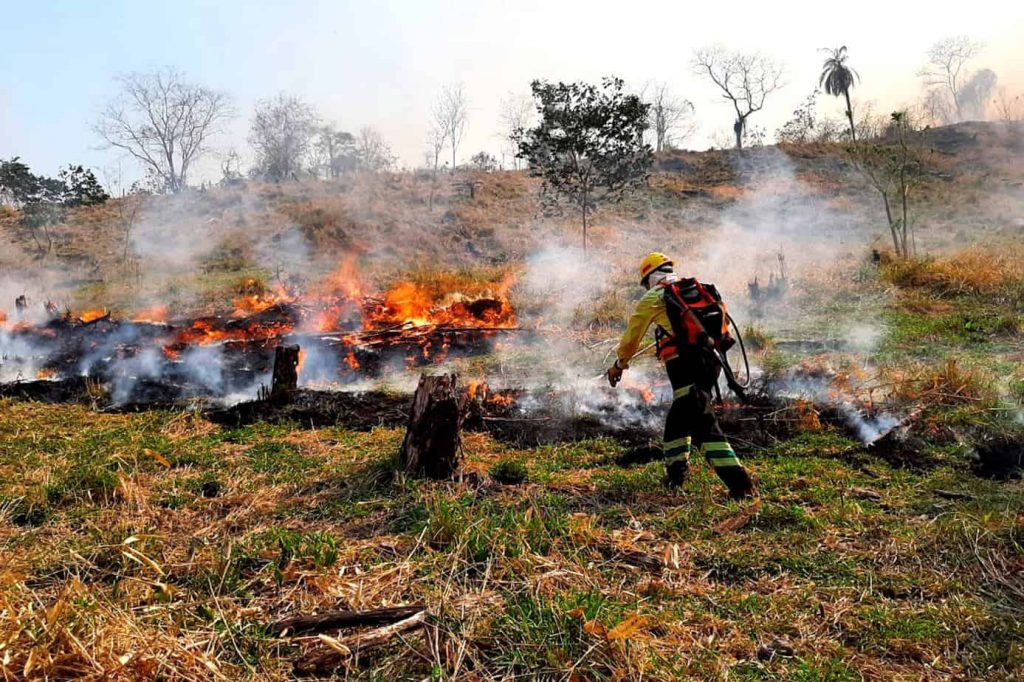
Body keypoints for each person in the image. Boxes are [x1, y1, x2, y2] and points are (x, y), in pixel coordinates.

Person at [607, 252, 757, 499]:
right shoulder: (695, 289)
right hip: (712, 361)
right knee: (680, 416)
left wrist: (619, 365)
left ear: (649, 278)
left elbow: (631, 338)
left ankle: (741, 485)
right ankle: (676, 473)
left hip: (685, 365)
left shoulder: (654, 297)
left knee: (702, 423)